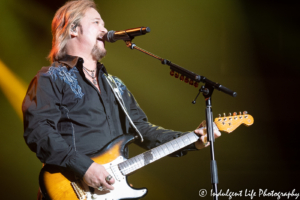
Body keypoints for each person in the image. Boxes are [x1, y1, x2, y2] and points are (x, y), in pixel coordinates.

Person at [22, 0, 221, 198]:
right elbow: (39, 131)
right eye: (96, 22)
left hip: (112, 191)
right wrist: (85, 168)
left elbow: (143, 131)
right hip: (71, 190)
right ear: (73, 29)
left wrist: (193, 139)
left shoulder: (115, 85)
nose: (105, 29)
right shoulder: (51, 77)